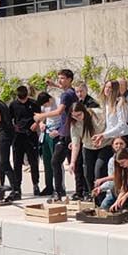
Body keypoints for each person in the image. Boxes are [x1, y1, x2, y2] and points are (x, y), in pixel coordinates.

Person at [38, 69, 78, 203]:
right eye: (59, 78)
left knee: (61, 162)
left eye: (62, 78)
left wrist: (42, 116)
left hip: (68, 134)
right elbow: (62, 88)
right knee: (59, 162)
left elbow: (59, 111)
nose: (59, 81)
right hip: (66, 133)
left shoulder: (66, 95)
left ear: (69, 79)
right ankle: (63, 192)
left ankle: (63, 192)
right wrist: (54, 84)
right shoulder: (70, 92)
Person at [92, 80, 128, 186]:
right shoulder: (106, 103)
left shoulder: (120, 103)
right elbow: (110, 126)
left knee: (121, 168)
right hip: (112, 139)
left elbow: (122, 125)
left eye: (110, 88)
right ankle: (101, 196)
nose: (107, 90)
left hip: (123, 139)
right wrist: (102, 138)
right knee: (101, 167)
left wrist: (103, 135)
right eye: (106, 87)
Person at [8, 85, 42, 198]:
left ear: (27, 95)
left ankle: (36, 184)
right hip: (18, 136)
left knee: (33, 161)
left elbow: (40, 117)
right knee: (17, 162)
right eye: (20, 98)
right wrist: (14, 127)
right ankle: (17, 187)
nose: (22, 100)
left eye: (24, 97)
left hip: (31, 135)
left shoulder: (34, 104)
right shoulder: (13, 105)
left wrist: (36, 124)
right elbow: (9, 119)